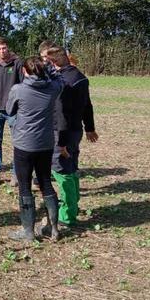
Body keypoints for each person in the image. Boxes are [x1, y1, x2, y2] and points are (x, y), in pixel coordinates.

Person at [5, 56, 65, 242]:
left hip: (24, 144)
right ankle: (53, 228)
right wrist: (50, 70)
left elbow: (9, 110)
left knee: (24, 187)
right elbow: (60, 79)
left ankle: (28, 231)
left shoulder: (19, 90)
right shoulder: (53, 88)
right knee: (46, 182)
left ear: (24, 71)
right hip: (45, 143)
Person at [45, 45, 99, 226]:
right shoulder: (81, 77)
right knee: (72, 167)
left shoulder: (63, 82)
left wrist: (60, 143)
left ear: (55, 61)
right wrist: (90, 127)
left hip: (63, 133)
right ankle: (73, 204)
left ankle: (67, 214)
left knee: (62, 170)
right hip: (76, 130)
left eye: (48, 61)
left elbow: (60, 114)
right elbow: (88, 105)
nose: (47, 65)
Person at [0, 36, 24, 185]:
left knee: (18, 143)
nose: (2, 51)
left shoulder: (17, 63)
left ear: (8, 47)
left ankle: (16, 174)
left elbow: (23, 84)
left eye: (4, 48)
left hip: (14, 110)